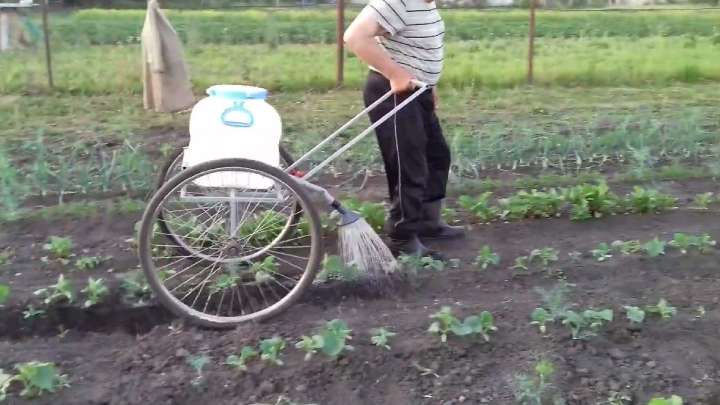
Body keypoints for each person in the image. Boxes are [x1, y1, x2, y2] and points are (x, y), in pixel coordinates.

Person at [343, 0, 463, 258]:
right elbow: (354, 36)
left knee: (437, 156)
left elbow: (421, 48)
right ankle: (402, 238)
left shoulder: (426, 4)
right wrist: (395, 73)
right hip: (393, 92)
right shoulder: (398, 2)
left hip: (418, 91)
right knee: (409, 165)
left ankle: (427, 223)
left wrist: (431, 85)